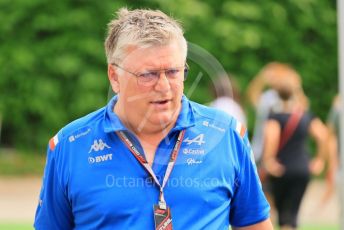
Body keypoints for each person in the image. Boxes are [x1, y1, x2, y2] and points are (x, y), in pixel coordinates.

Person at [34, 8, 273, 230]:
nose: (164, 87)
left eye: (173, 72)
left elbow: (255, 224)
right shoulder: (70, 145)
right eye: (148, 75)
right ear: (114, 77)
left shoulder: (226, 134)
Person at [262, 68, 327, 230]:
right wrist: (319, 160)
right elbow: (323, 136)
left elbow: (271, 138)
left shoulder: (275, 117)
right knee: (292, 214)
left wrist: (268, 161)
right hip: (302, 168)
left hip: (282, 168)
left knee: (282, 215)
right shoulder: (306, 115)